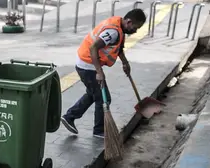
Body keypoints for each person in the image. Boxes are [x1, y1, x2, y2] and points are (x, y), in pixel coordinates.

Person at [60, 9, 147, 139]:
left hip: (87, 64)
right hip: (87, 66)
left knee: (93, 93)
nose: (136, 31)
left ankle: (69, 117)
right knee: (103, 98)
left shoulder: (119, 26)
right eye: (136, 27)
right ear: (129, 22)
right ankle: (98, 131)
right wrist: (99, 72)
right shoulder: (113, 32)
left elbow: (119, 48)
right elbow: (94, 47)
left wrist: (125, 63)